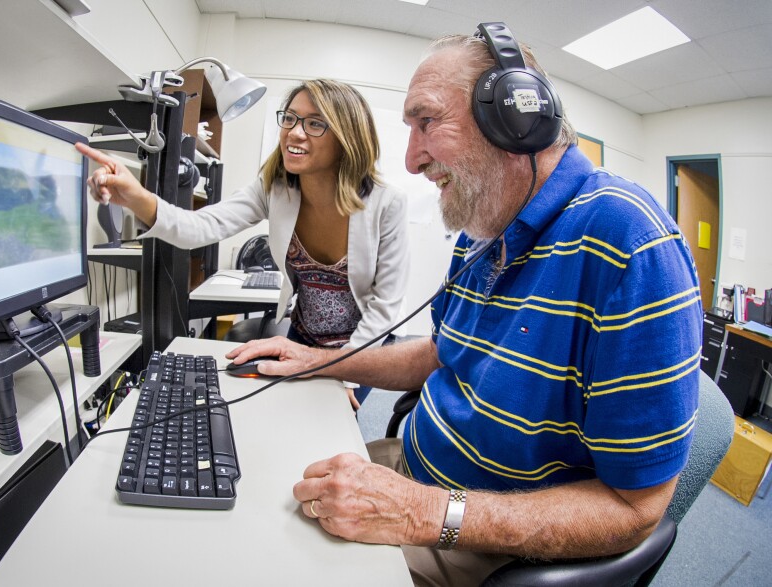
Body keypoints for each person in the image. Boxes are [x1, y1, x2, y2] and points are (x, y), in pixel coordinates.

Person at [225, 29, 703, 586]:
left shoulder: (630, 245)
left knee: (265, 569)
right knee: (249, 495)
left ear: (515, 117)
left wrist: (424, 512)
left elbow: (636, 511)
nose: (410, 159)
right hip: (412, 468)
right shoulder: (483, 234)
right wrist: (318, 362)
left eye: (426, 122)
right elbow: (440, 354)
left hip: (477, 539)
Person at [76, 79, 409, 406]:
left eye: (315, 124)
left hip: (364, 346)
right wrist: (137, 198)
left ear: (347, 137)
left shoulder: (387, 204)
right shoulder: (274, 189)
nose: (294, 132)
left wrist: (348, 375)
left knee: (333, 429)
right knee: (287, 414)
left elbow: (384, 307)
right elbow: (198, 227)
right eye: (290, 118)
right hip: (302, 337)